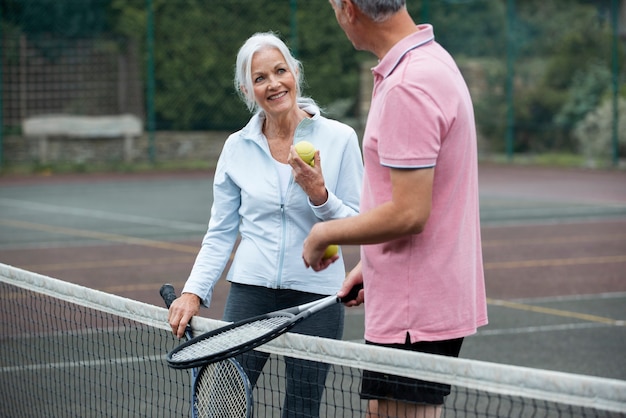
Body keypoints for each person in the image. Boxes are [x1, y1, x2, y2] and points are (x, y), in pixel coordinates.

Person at [302, 2, 488, 417]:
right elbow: (422, 199)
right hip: (417, 296)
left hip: (414, 308)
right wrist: (371, 264)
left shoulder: (408, 84)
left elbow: (408, 213)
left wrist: (323, 234)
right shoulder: (431, 61)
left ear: (350, 9)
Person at [167, 32, 363, 418]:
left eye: (280, 71)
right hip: (250, 295)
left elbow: (357, 224)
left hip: (317, 299)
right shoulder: (236, 147)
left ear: (295, 73)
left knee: (301, 411)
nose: (273, 83)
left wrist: (319, 195)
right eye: (260, 78)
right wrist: (193, 292)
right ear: (247, 89)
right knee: (222, 407)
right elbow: (221, 232)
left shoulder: (340, 139)